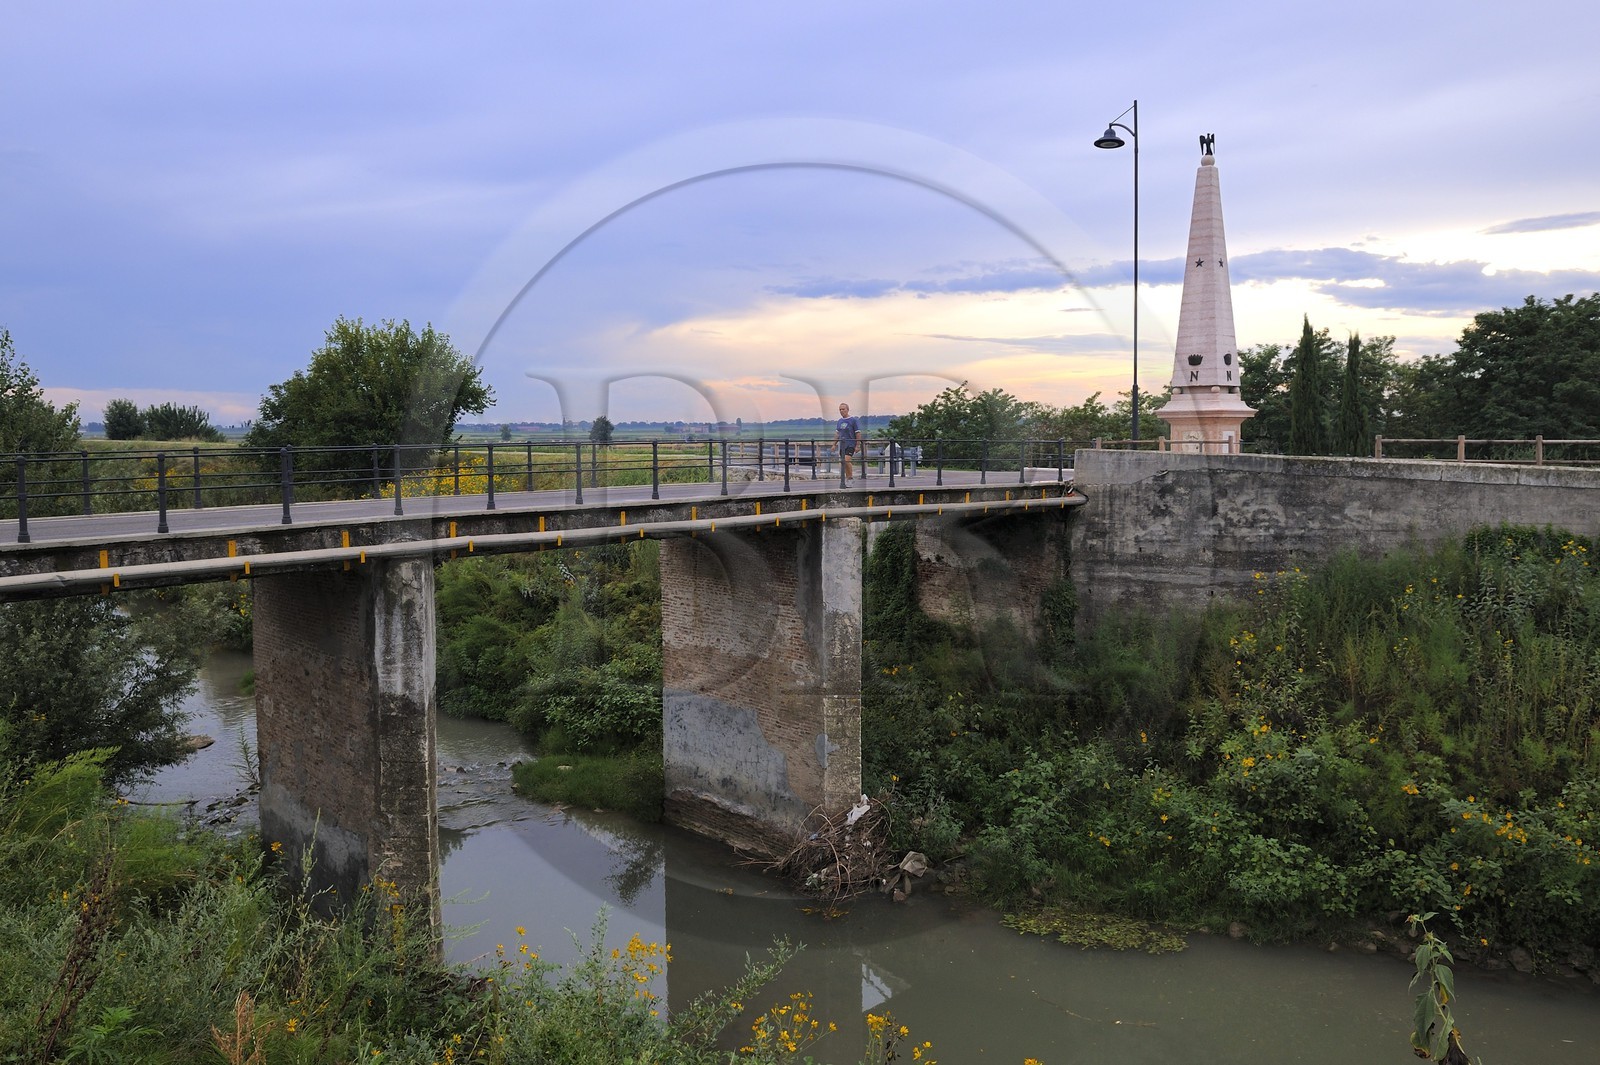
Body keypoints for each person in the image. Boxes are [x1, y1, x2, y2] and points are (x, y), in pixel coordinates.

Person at [833, 402, 860, 486]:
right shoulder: (840, 421)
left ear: (847, 410)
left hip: (851, 444)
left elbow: (858, 433)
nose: (841, 411)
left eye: (843, 409)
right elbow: (837, 433)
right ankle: (848, 478)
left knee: (847, 460)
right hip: (842, 445)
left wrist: (857, 445)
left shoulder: (853, 420)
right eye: (840, 409)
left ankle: (850, 478)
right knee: (843, 462)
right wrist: (834, 444)